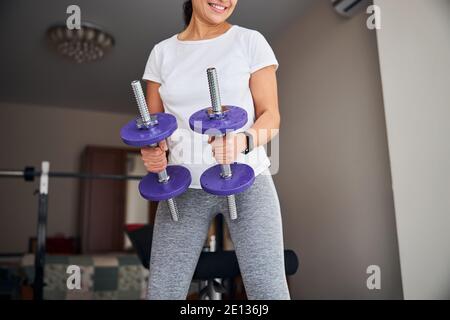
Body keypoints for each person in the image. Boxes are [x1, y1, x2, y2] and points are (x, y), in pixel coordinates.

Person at [141, 0, 290, 300]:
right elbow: (155, 130)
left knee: (268, 290)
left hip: (248, 179)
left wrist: (242, 141)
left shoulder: (250, 41)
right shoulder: (162, 54)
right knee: (162, 293)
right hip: (181, 187)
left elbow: (271, 116)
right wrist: (154, 153)